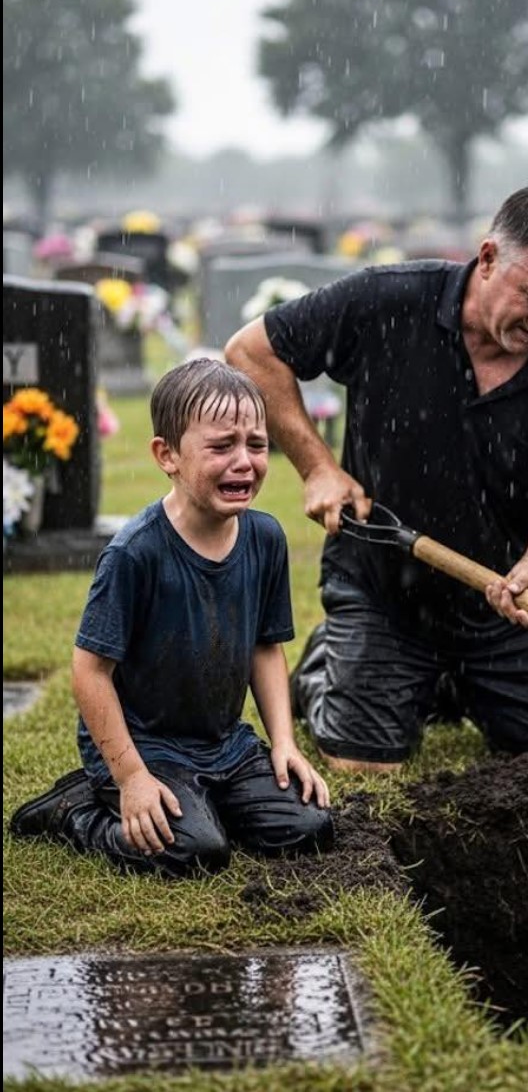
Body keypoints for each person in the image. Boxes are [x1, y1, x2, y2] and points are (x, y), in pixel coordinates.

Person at [224, 185, 528, 774]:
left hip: (497, 603)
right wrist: (318, 467)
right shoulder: (388, 301)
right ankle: (327, 662)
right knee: (364, 765)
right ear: (487, 259)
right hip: (382, 590)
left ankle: (450, 681)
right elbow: (250, 351)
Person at [10, 358, 333, 876]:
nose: (244, 461)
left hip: (223, 745)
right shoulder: (135, 554)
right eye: (222, 446)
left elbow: (264, 648)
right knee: (194, 852)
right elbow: (89, 670)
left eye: (256, 443)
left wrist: (284, 744)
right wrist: (132, 777)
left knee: (308, 826)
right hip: (146, 746)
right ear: (168, 455)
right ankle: (76, 811)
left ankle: (205, 800)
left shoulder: (265, 539)